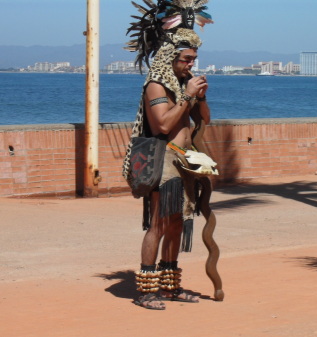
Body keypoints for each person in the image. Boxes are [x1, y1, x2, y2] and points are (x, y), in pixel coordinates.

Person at [122, 0, 214, 310]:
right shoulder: (156, 85)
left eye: (194, 58)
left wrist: (198, 97)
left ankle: (171, 286)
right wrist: (187, 96)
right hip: (165, 163)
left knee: (177, 223)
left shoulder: (182, 84)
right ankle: (147, 289)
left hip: (184, 161)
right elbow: (162, 124)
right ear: (170, 57)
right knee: (160, 224)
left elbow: (205, 120)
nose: (192, 63)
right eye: (187, 58)